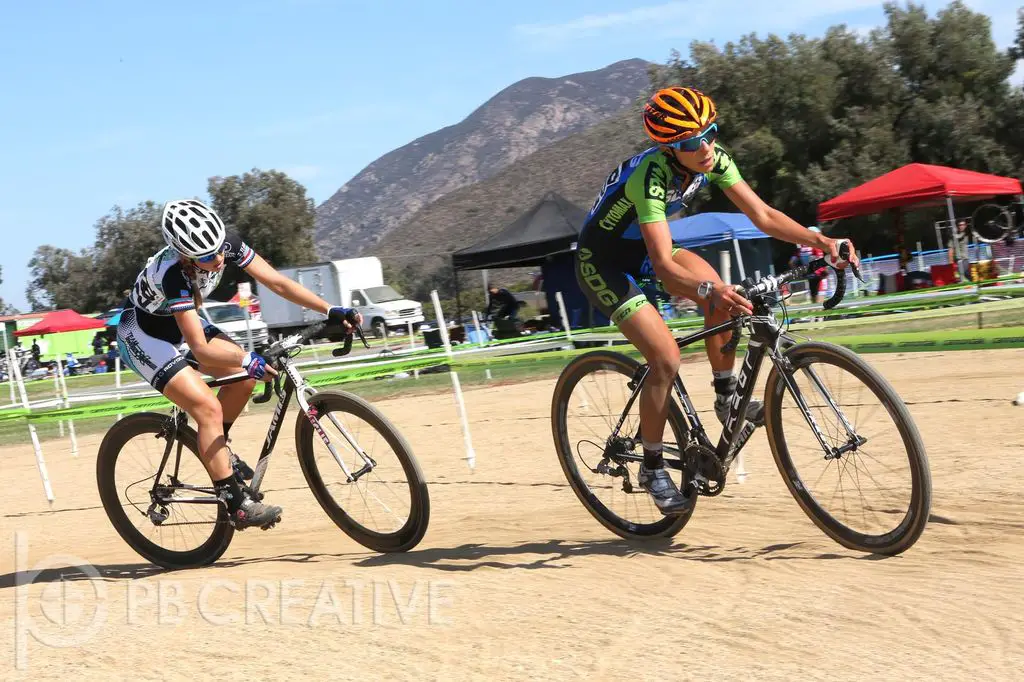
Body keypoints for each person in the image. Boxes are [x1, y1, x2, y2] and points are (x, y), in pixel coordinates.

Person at [576, 86, 857, 514]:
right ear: (670, 148)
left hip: (647, 251)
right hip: (604, 262)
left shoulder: (713, 158)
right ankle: (652, 466)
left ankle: (727, 399)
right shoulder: (649, 177)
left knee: (724, 296)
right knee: (666, 357)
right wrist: (710, 290)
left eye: (710, 132)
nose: (706, 146)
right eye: (692, 142)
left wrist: (822, 241)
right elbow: (665, 265)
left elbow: (762, 216)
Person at [116, 199, 362, 530]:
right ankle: (236, 505)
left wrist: (331, 310)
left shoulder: (226, 244)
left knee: (242, 380)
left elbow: (277, 283)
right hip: (142, 334)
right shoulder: (172, 274)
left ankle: (219, 450)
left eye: (219, 250)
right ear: (185, 254)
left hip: (177, 324)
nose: (218, 260)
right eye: (206, 257)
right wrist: (247, 357)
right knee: (207, 407)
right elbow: (201, 350)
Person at [789, 227, 827, 303]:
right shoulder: (816, 247)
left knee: (813, 303)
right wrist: (825, 271)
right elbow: (821, 263)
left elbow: (791, 263)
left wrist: (799, 272)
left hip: (809, 277)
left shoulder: (801, 248)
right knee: (820, 305)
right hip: (819, 277)